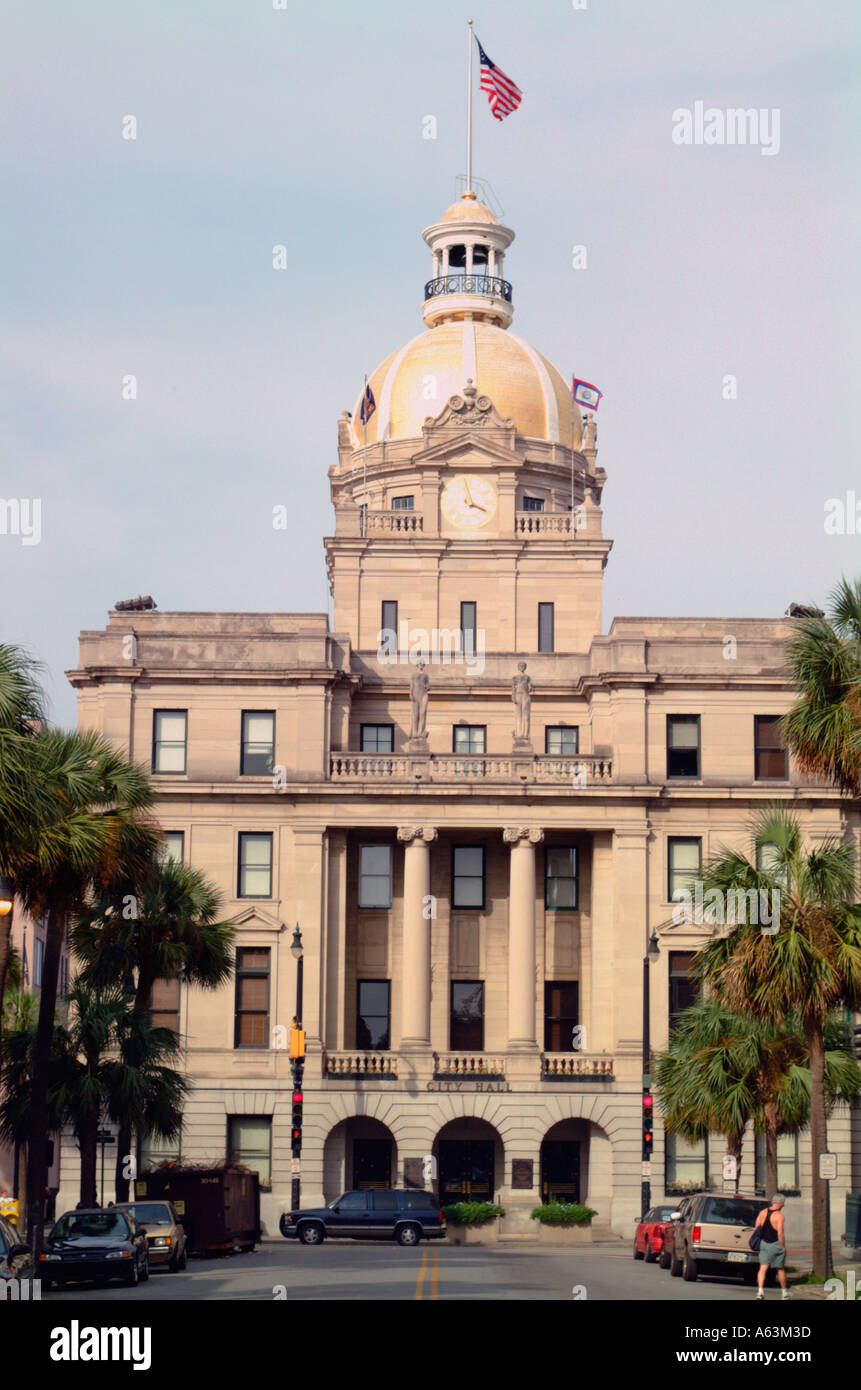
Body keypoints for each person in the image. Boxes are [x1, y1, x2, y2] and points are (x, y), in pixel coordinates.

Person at [754, 1195, 790, 1299]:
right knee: (780, 1268)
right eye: (783, 1203)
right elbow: (780, 1233)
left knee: (763, 1268)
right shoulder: (779, 1216)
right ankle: (784, 1293)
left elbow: (757, 1228)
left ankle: (760, 1292)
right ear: (780, 1203)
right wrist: (783, 1246)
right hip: (775, 1243)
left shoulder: (762, 1212)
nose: (783, 1205)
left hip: (764, 1243)